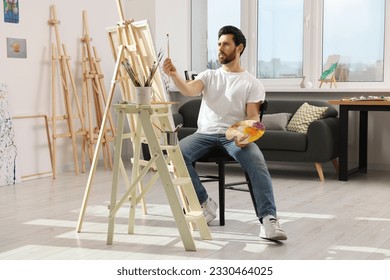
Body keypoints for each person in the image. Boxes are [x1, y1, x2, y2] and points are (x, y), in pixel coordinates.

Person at [162, 25, 287, 241]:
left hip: (234, 137)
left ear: (239, 48)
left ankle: (268, 220)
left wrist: (247, 135)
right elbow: (189, 90)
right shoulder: (209, 75)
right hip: (205, 134)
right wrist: (174, 74)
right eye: (219, 44)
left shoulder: (252, 83)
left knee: (257, 161)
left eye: (225, 44)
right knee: (176, 153)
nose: (220, 48)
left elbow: (253, 117)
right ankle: (205, 203)